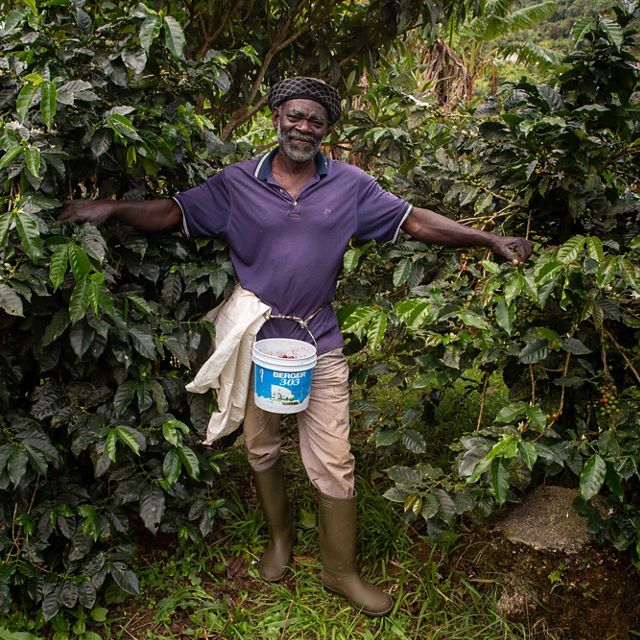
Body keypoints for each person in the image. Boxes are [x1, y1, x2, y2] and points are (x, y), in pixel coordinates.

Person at [59, 76, 532, 617]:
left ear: (328, 129)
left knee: (334, 457)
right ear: (277, 117)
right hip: (258, 340)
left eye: (316, 120)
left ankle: (340, 571)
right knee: (260, 446)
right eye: (295, 116)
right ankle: (280, 539)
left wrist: (488, 238)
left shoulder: (350, 185)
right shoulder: (237, 183)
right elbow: (172, 212)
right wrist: (113, 209)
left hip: (318, 338)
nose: (304, 127)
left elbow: (414, 222)